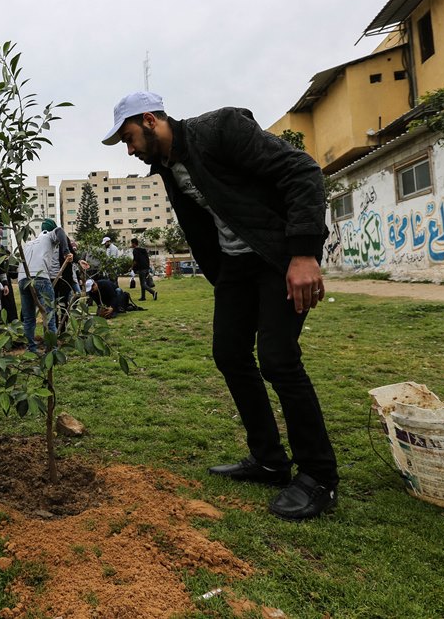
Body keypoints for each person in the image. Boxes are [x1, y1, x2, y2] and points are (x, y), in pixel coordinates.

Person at [102, 90, 337, 521]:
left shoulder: (221, 129)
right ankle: (269, 460)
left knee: (278, 359)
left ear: (150, 120)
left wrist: (304, 253)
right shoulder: (168, 167)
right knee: (229, 353)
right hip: (235, 268)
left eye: (129, 138)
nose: (129, 150)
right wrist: (221, 274)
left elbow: (302, 171)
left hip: (276, 257)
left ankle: (318, 476)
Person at [18, 227, 58, 353]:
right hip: (40, 276)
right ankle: (52, 349)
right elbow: (60, 231)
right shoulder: (49, 236)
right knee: (50, 315)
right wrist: (67, 251)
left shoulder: (30, 243)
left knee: (29, 318)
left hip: (22, 278)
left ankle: (31, 348)